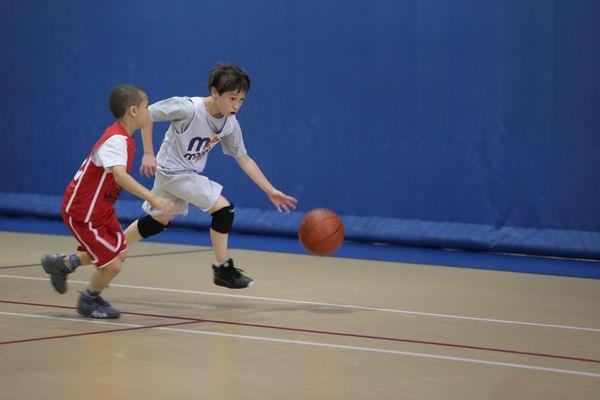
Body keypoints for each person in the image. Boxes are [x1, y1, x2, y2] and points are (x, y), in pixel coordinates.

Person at [125, 63, 297, 289]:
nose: (236, 105)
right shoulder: (187, 108)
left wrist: (270, 190)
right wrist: (148, 152)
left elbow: (244, 158)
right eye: (232, 98)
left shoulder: (230, 124)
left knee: (158, 222)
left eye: (242, 100)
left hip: (184, 173)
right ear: (214, 92)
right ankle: (222, 268)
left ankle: (108, 248)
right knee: (224, 210)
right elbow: (145, 116)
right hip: (173, 173)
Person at [41, 84, 175, 319]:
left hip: (101, 209)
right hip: (83, 212)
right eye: (146, 106)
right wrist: (153, 197)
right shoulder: (115, 140)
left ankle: (62, 264)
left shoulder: (127, 138)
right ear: (133, 110)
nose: (149, 111)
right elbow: (120, 177)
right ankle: (88, 300)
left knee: (119, 252)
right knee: (112, 265)